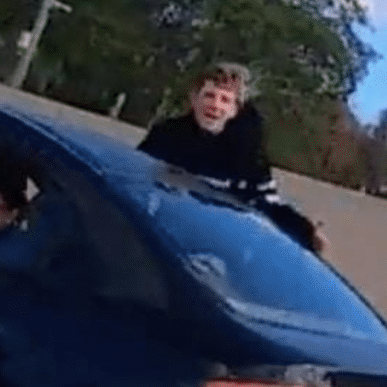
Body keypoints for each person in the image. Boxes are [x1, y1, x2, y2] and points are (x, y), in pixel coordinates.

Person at [138, 62, 328, 254]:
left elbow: (266, 203)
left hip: (213, 244)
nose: (215, 105)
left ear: (235, 110)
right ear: (194, 99)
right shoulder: (166, 135)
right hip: (160, 231)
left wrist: (305, 230)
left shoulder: (248, 155)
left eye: (225, 100)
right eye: (209, 95)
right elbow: (135, 177)